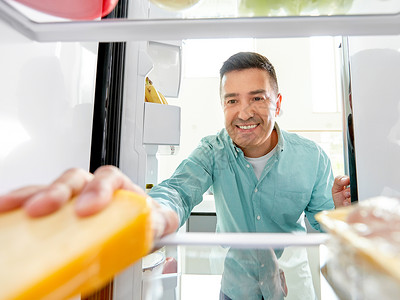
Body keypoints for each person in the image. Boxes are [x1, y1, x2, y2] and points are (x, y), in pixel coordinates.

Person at [0, 52, 351, 299]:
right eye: (231, 101)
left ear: (276, 103)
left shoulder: (312, 158)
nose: (243, 112)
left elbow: (324, 230)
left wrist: (338, 214)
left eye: (257, 98)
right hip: (234, 286)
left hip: (294, 288)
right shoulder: (212, 151)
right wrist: (146, 212)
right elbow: (178, 192)